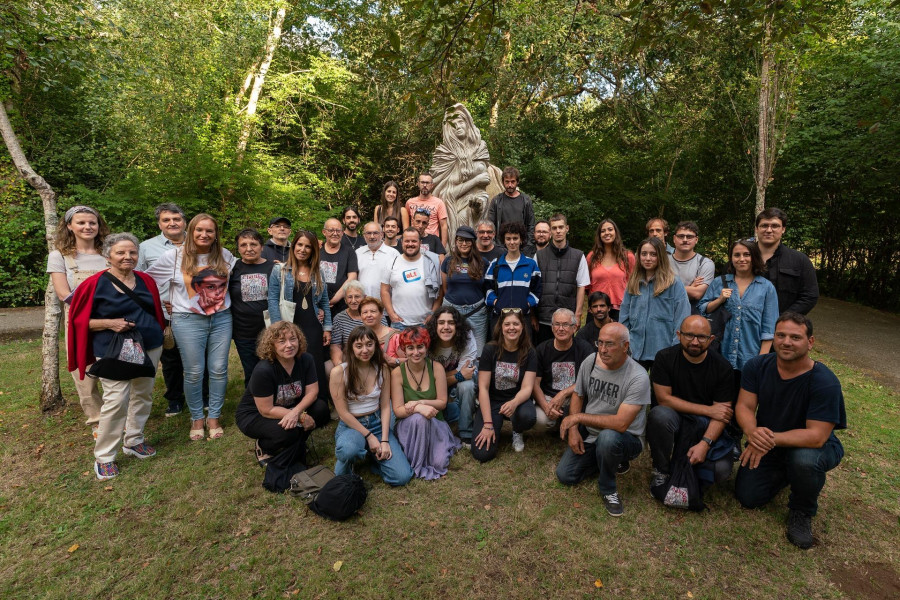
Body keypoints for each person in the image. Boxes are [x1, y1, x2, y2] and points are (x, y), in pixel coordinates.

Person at [734, 313, 845, 549]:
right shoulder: (757, 366)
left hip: (814, 447)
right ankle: (789, 474)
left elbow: (816, 436)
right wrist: (752, 432)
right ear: (773, 338)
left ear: (810, 342)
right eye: (781, 335)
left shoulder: (824, 381)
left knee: (803, 460)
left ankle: (802, 511)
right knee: (748, 497)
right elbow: (744, 406)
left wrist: (765, 439)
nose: (786, 342)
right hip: (770, 443)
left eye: (795, 337)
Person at [68, 233, 165, 480]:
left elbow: (155, 309)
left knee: (143, 393)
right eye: (121, 252)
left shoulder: (146, 280)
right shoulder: (92, 285)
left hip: (149, 345)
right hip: (112, 349)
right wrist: (108, 323)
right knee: (116, 399)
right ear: (108, 255)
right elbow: (77, 322)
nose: (127, 257)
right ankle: (105, 456)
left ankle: (134, 440)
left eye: (132, 252)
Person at [145, 213, 235, 441]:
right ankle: (197, 418)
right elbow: (146, 282)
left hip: (222, 319)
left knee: (218, 369)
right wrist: (166, 304)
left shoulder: (224, 256)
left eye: (210, 231)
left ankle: (213, 416)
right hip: (187, 321)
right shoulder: (174, 256)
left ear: (216, 235)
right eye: (199, 230)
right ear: (191, 231)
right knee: (194, 372)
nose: (204, 235)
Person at [555, 323, 650, 517]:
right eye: (600, 343)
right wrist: (574, 431)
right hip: (592, 432)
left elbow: (621, 424)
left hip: (626, 437)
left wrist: (577, 418)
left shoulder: (637, 377)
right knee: (566, 475)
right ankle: (607, 459)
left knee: (608, 438)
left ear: (625, 346)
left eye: (610, 344)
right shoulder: (590, 361)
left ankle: (608, 488)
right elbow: (578, 395)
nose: (603, 350)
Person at [648, 316, 737, 494]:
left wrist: (705, 443)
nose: (695, 342)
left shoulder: (723, 368)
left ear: (711, 339)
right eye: (689, 335)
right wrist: (708, 410)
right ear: (679, 335)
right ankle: (661, 468)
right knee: (659, 415)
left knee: (720, 471)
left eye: (701, 337)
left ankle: (690, 464)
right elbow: (664, 399)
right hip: (674, 418)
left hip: (704, 426)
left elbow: (722, 414)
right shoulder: (664, 358)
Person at [47, 205, 110, 436]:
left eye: (92, 222)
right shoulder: (59, 256)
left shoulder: (108, 252)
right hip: (79, 319)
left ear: (98, 225)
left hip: (113, 317)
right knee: (85, 370)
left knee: (116, 364)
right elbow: (64, 294)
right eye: (81, 223)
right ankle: (97, 421)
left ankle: (120, 415)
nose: (87, 227)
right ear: (69, 226)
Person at [235, 322, 330, 470]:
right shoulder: (263, 370)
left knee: (321, 409)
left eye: (293, 339)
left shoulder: (306, 360)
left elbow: (312, 392)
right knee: (287, 432)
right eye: (282, 341)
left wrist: (297, 413)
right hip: (256, 415)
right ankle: (264, 446)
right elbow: (266, 410)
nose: (289, 345)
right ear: (271, 345)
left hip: (289, 406)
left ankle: (296, 443)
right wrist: (300, 417)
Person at [329, 326, 413, 486]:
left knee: (402, 477)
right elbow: (343, 413)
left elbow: (385, 407)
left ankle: (371, 456)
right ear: (351, 348)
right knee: (348, 452)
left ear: (375, 345)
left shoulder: (382, 369)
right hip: (351, 425)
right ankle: (355, 455)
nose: (365, 350)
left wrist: (385, 440)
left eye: (369, 344)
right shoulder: (339, 372)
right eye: (359, 346)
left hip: (377, 422)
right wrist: (370, 437)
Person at [267, 230, 333, 405]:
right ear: (293, 246)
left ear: (313, 250)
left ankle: (318, 400)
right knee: (291, 361)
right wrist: (278, 328)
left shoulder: (318, 272)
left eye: (308, 246)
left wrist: (327, 328)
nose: (303, 249)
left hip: (313, 325)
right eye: (300, 245)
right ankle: (295, 400)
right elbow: (272, 299)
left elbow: (324, 301)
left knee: (314, 362)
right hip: (290, 325)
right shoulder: (279, 271)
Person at [138, 202, 189, 417]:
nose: (172, 223)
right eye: (166, 220)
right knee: (171, 358)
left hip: (196, 311)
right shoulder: (146, 247)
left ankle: (204, 393)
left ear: (184, 222)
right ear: (159, 223)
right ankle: (175, 397)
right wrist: (156, 304)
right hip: (165, 313)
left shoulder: (198, 242)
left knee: (199, 355)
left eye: (176, 219)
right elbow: (138, 280)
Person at [391, 326, 461, 479]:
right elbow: (398, 410)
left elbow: (442, 403)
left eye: (420, 347)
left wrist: (418, 402)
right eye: (410, 348)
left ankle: (434, 448)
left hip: (436, 422)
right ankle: (416, 460)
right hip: (409, 427)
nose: (416, 352)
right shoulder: (397, 373)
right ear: (404, 349)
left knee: (439, 463)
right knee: (419, 418)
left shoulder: (436, 368)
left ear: (426, 346)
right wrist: (419, 409)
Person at [699, 239, 779, 374]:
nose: (742, 259)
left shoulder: (766, 288)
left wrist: (761, 359)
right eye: (737, 255)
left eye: (747, 254)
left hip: (750, 357)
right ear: (731, 258)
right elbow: (702, 309)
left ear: (754, 257)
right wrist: (719, 300)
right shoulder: (719, 282)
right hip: (719, 354)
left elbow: (769, 328)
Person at [471, 309, 538, 461]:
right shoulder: (490, 349)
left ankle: (517, 430)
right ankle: (492, 423)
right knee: (482, 454)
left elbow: (527, 388)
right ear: (501, 327)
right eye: (507, 324)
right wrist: (488, 424)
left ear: (522, 327)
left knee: (528, 417)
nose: (511, 328)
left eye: (516, 323)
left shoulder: (530, 352)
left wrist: (514, 403)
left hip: (517, 400)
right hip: (493, 400)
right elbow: (483, 388)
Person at [619, 237, 690, 369]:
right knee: (634, 388)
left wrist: (676, 347)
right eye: (644, 254)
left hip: (663, 349)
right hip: (635, 349)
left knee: (660, 389)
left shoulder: (673, 283)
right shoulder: (634, 282)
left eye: (653, 254)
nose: (648, 258)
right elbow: (624, 315)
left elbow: (682, 317)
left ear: (661, 257)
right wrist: (625, 341)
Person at [533, 309, 594, 431]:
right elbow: (535, 383)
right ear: (552, 327)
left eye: (565, 324)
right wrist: (546, 406)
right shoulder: (541, 349)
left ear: (574, 328)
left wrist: (563, 393)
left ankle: (568, 423)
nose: (560, 328)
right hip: (549, 398)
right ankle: (556, 425)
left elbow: (589, 379)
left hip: (575, 396)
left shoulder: (585, 349)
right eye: (557, 324)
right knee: (539, 420)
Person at [426, 306, 478, 448]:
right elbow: (427, 379)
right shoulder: (427, 340)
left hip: (459, 381)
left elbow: (466, 373)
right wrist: (457, 374)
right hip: (436, 384)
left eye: (451, 323)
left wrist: (439, 377)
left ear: (458, 326)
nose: (446, 327)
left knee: (466, 385)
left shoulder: (466, 337)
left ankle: (466, 432)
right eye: (441, 322)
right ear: (435, 325)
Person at [534, 214, 589, 344]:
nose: (558, 231)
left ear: (567, 228)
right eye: (554, 228)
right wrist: (533, 315)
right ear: (550, 231)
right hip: (544, 317)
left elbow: (581, 286)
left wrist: (578, 314)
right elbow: (533, 286)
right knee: (543, 354)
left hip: (567, 318)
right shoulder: (539, 256)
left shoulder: (578, 256)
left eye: (561, 227)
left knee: (565, 356)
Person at [229, 228, 274, 385]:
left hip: (269, 330)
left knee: (272, 369)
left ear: (262, 247)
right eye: (243, 245)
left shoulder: (273, 268)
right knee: (251, 372)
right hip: (243, 331)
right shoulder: (232, 269)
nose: (249, 249)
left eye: (253, 244)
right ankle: (252, 405)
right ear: (238, 248)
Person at [754, 208, 819, 315]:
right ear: (757, 229)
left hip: (782, 327)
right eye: (764, 225)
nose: (769, 230)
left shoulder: (800, 260)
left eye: (775, 226)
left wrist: (783, 319)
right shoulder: (741, 258)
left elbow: (810, 296)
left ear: (783, 229)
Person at [484, 221, 542, 340]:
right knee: (498, 352)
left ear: (521, 240)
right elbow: (486, 288)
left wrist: (527, 304)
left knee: (523, 353)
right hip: (499, 317)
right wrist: (495, 302)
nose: (512, 242)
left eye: (515, 238)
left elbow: (537, 290)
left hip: (523, 318)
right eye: (508, 238)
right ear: (504, 240)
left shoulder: (530, 264)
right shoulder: (495, 265)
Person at [381, 228, 443, 330]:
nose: (410, 244)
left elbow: (439, 291)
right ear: (402, 242)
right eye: (407, 241)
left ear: (420, 243)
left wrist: (433, 314)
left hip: (425, 323)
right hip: (399, 324)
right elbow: (384, 290)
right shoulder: (392, 262)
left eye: (414, 241)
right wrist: (391, 314)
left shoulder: (431, 263)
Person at [441, 225, 489, 354]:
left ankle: (475, 374)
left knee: (478, 352)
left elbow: (486, 287)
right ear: (456, 241)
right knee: (450, 351)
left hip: (477, 311)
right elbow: (444, 288)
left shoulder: (483, 262)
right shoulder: (448, 261)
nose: (464, 243)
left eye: (468, 240)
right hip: (452, 310)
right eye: (460, 240)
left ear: (473, 243)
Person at [586, 219, 635, 322]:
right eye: (603, 231)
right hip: (596, 310)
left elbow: (633, 285)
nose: (607, 233)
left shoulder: (628, 257)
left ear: (615, 232)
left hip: (620, 310)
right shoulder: (592, 257)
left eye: (610, 229)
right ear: (599, 235)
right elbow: (586, 286)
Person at [330, 280, 387, 365]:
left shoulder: (375, 315)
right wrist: (339, 364)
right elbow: (335, 345)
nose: (353, 301)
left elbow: (386, 339)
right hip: (350, 358)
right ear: (345, 299)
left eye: (357, 296)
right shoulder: (339, 318)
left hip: (374, 355)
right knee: (328, 367)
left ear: (364, 297)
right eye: (349, 297)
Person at [485, 166, 536, 255]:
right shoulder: (496, 201)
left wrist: (528, 245)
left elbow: (531, 225)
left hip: (522, 247)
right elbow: (491, 225)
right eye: (507, 182)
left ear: (517, 182)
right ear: (503, 182)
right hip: (501, 247)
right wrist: (496, 246)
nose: (510, 185)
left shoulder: (526, 200)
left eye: (513, 182)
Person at [669, 221, 715, 314]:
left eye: (689, 236)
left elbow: (697, 294)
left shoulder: (705, 263)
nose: (685, 239)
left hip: (691, 315)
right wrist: (690, 287)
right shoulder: (663, 262)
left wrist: (669, 287)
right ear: (674, 239)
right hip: (664, 312)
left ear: (696, 240)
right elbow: (656, 289)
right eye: (681, 236)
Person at [321, 217, 359, 315]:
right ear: (324, 232)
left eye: (338, 230)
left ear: (342, 233)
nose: (335, 233)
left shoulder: (349, 251)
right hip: (318, 303)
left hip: (341, 304)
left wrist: (335, 299)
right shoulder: (317, 250)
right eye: (331, 230)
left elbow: (352, 277)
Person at [356, 221, 399, 299]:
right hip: (362, 305)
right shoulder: (358, 253)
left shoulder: (393, 254)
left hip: (386, 304)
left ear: (382, 234)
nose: (372, 236)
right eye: (368, 233)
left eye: (375, 233)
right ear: (364, 235)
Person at [405, 172, 449, 247]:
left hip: (432, 242)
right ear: (418, 184)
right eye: (422, 182)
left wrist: (442, 247)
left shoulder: (439, 203)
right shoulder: (410, 202)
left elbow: (444, 226)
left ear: (432, 185)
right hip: (413, 241)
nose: (425, 185)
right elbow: (407, 223)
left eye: (427, 183)